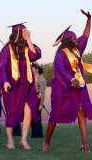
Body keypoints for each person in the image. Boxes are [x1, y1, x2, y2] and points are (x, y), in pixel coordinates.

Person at [43, 10, 92, 152]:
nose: (77, 40)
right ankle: (47, 141)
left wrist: (89, 19)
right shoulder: (60, 55)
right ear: (68, 41)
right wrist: (71, 79)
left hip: (79, 87)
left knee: (81, 111)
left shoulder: (77, 50)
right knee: (56, 115)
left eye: (76, 39)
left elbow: (86, 35)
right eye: (74, 39)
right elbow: (60, 70)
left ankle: (85, 145)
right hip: (63, 89)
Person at [0, 22, 41, 149]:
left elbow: (35, 55)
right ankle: (10, 140)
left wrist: (29, 39)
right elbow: (1, 66)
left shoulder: (27, 46)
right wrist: (4, 81)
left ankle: (23, 139)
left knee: (28, 110)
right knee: (11, 112)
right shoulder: (7, 48)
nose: (24, 35)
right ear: (15, 35)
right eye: (22, 33)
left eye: (25, 33)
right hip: (12, 86)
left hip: (27, 85)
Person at [31, 62, 47, 138]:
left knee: (37, 118)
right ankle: (34, 133)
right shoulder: (33, 77)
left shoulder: (41, 79)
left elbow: (42, 93)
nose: (31, 69)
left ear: (37, 69)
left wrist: (41, 104)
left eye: (32, 67)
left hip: (37, 100)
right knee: (32, 118)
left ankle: (37, 135)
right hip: (32, 100)